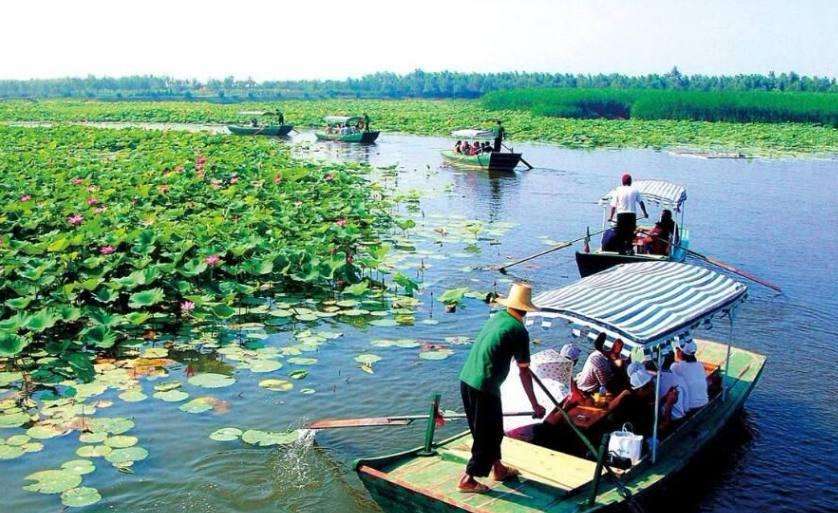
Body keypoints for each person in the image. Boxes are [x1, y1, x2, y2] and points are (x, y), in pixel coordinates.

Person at [458, 283, 546, 493]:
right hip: (484, 386)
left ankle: (498, 469)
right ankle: (467, 479)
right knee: (486, 435)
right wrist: (535, 405)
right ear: (525, 309)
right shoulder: (519, 330)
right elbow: (524, 372)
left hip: (467, 379)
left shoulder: (498, 317)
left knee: (493, 430)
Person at [608, 174, 648, 255]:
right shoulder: (635, 190)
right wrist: (645, 213)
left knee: (621, 233)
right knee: (630, 233)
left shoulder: (617, 190)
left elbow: (613, 206)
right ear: (630, 182)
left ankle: (621, 251)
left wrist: (610, 217)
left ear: (622, 182)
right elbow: (641, 203)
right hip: (631, 215)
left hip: (621, 215)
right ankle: (630, 249)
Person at [671, 338, 709, 411]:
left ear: (681, 352)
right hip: (704, 401)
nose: (676, 352)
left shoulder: (676, 367)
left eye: (677, 350)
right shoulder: (699, 365)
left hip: (690, 406)